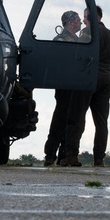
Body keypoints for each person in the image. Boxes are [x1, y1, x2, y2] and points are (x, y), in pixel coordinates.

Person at [43, 10, 88, 166]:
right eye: (77, 20)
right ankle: (50, 155)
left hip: (74, 86)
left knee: (71, 121)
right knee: (60, 120)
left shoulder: (75, 39)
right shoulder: (62, 40)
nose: (80, 23)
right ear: (70, 22)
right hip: (65, 87)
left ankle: (63, 155)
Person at [79, 5, 110, 167]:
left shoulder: (86, 33)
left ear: (91, 17)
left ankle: (71, 155)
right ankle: (99, 159)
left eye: (84, 17)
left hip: (87, 79)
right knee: (101, 122)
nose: (83, 20)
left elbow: (79, 56)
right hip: (105, 80)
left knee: (78, 117)